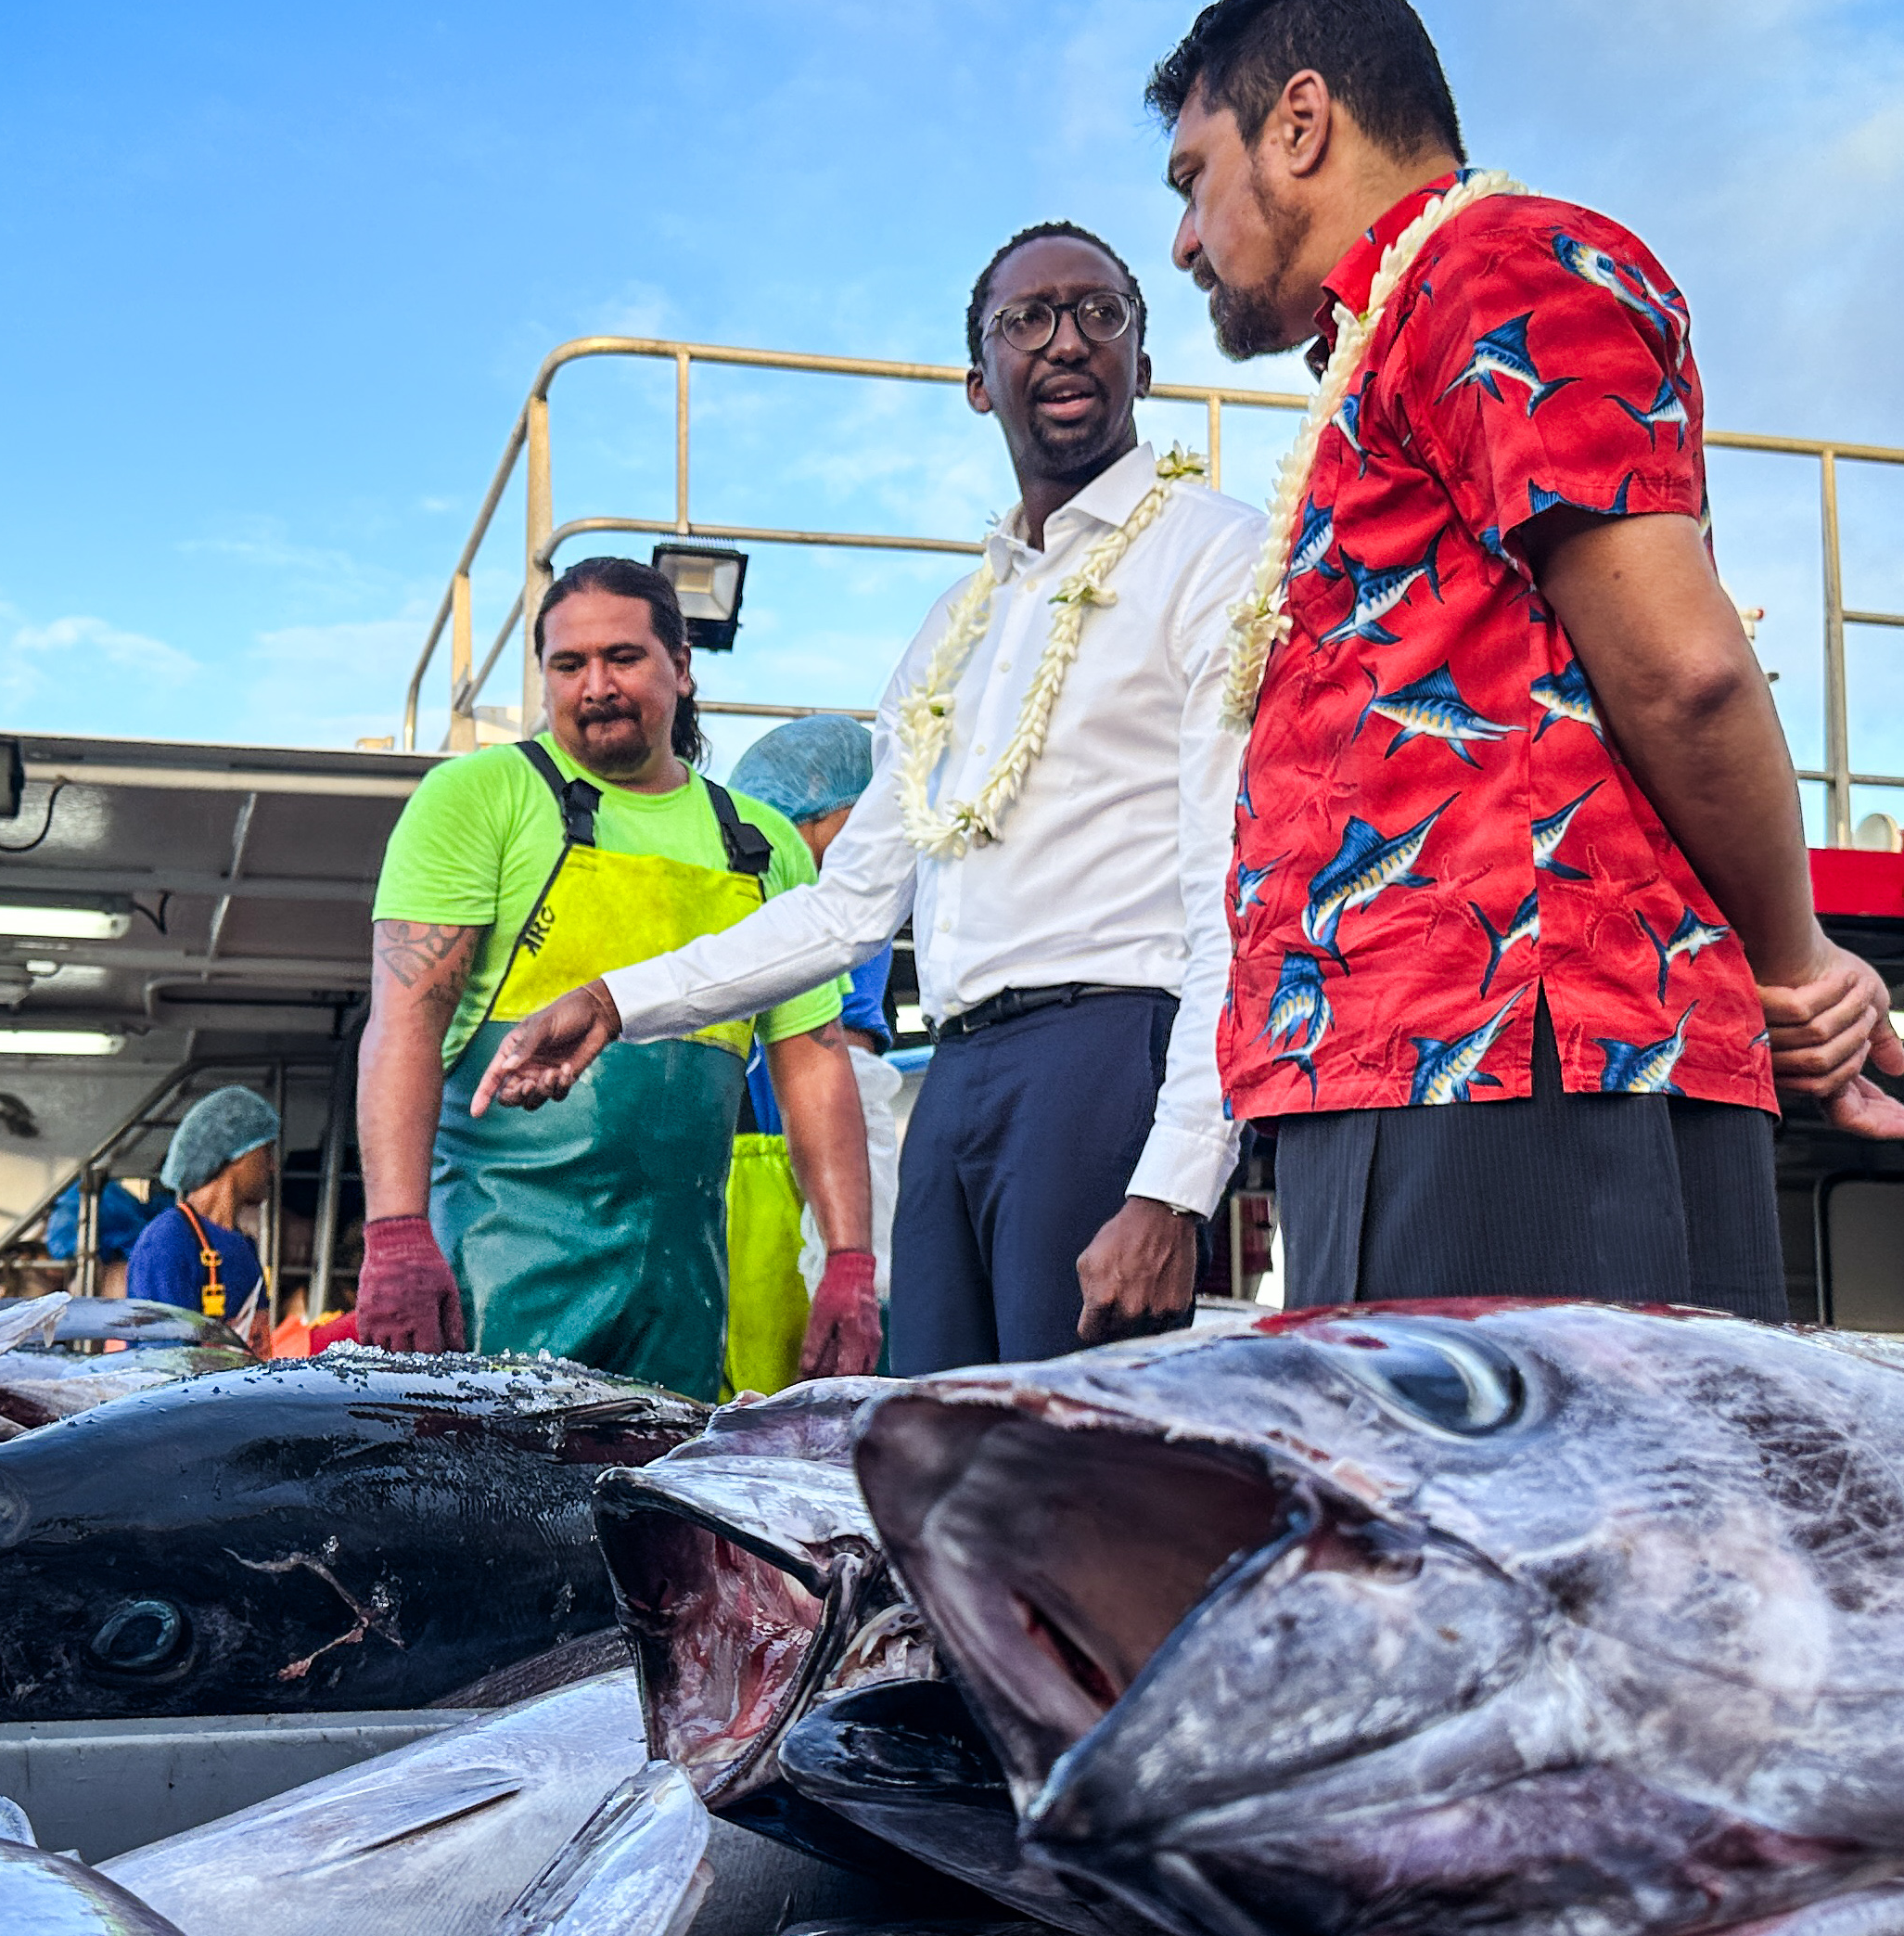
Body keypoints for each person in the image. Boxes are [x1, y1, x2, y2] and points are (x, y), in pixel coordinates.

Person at [1147, 0, 1904, 1319]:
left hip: (1511, 1074)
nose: (1180, 237)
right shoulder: (1402, 321)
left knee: (1526, 1532)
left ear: (1297, 124)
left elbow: (1680, 669)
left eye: (1187, 176)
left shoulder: (1491, 266)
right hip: (1428, 1065)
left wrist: (1794, 963)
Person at [476, 223, 1264, 1372]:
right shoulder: (957, 626)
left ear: (1142, 362)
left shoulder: (1214, 554)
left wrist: (1176, 1182)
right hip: (954, 1079)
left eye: (1100, 315)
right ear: (975, 381)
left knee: (1074, 1491)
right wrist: (616, 1000)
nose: (1063, 342)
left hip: (1107, 1055)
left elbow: (1234, 894)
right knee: (935, 1473)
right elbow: (848, 909)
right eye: (1023, 321)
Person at [351, 556, 878, 1400]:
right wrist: (397, 1233)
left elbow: (815, 1059)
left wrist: (850, 1258)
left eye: (623, 658)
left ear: (680, 665)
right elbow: (404, 1025)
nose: (595, 685)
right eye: (569, 664)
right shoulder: (479, 796)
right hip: (496, 1277)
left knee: (653, 1509)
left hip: (681, 1286)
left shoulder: (762, 843)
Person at [722, 714, 903, 1391]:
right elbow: (852, 1095)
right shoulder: (831, 910)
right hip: (762, 1207)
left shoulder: (829, 920)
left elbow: (852, 1090)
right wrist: (857, 1263)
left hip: (755, 1209)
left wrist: (851, 1263)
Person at [130, 1085, 278, 1329]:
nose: (272, 1166)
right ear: (237, 1156)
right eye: (266, 1153)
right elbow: (162, 1356)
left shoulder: (240, 1246)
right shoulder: (167, 1241)